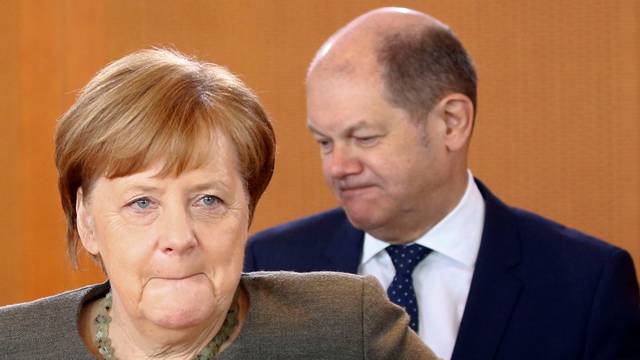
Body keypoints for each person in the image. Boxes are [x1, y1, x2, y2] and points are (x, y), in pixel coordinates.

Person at [244, 7, 640, 360]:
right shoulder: (270, 269)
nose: (338, 166)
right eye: (324, 142)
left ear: (452, 123)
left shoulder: (586, 284)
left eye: (364, 138)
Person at [0, 48, 437, 360]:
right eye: (141, 203)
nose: (178, 238)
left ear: (247, 210)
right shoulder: (11, 344)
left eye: (208, 199)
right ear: (87, 222)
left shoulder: (345, 328)